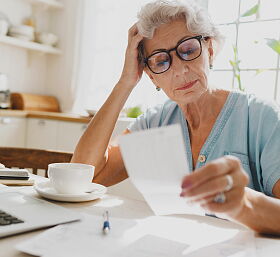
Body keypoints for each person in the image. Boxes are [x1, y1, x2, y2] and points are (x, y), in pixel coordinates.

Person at [71, 0, 280, 235]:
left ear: (209, 51)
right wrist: (125, 83)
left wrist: (244, 203)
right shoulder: (155, 123)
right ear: (151, 77)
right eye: (161, 61)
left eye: (188, 50)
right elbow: (84, 175)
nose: (180, 70)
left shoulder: (262, 117)